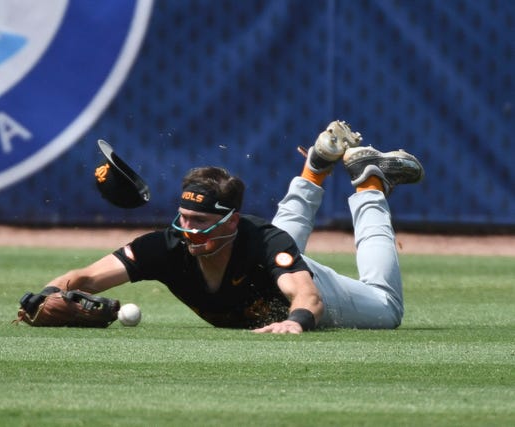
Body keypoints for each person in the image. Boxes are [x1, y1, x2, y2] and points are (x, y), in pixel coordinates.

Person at [46, 120, 424, 333]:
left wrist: (295, 322)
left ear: (232, 220)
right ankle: (316, 166)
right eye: (184, 217)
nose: (188, 229)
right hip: (266, 260)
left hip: (302, 283)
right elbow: (84, 278)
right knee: (276, 245)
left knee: (387, 310)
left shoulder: (261, 241)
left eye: (202, 222)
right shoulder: (166, 247)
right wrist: (44, 294)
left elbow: (310, 299)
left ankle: (370, 184)